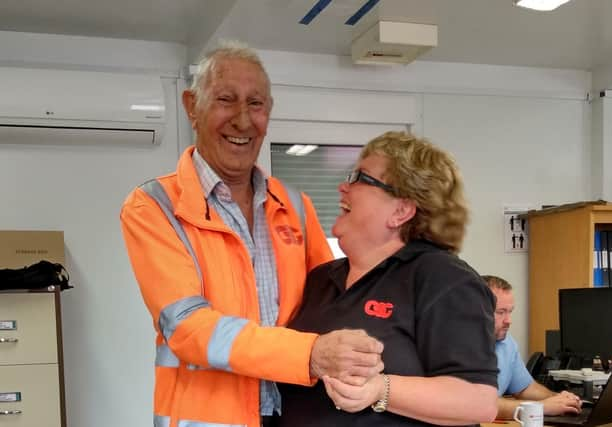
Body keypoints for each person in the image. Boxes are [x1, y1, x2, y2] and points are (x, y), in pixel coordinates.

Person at [120, 41, 384, 427]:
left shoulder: (295, 204)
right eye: (226, 99)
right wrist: (310, 353)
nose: (243, 120)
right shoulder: (154, 205)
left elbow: (331, 303)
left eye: (256, 104)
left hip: (297, 410)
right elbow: (188, 327)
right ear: (192, 107)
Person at [279, 131, 499, 426]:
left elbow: (478, 402)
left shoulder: (444, 279)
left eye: (362, 178)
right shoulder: (321, 278)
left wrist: (380, 389)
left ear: (401, 211)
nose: (344, 187)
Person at [483, 275, 582, 418]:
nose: (508, 321)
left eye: (510, 312)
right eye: (500, 312)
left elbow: (525, 388)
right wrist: (541, 407)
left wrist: (559, 399)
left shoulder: (507, 342)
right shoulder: (458, 346)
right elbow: (479, 404)